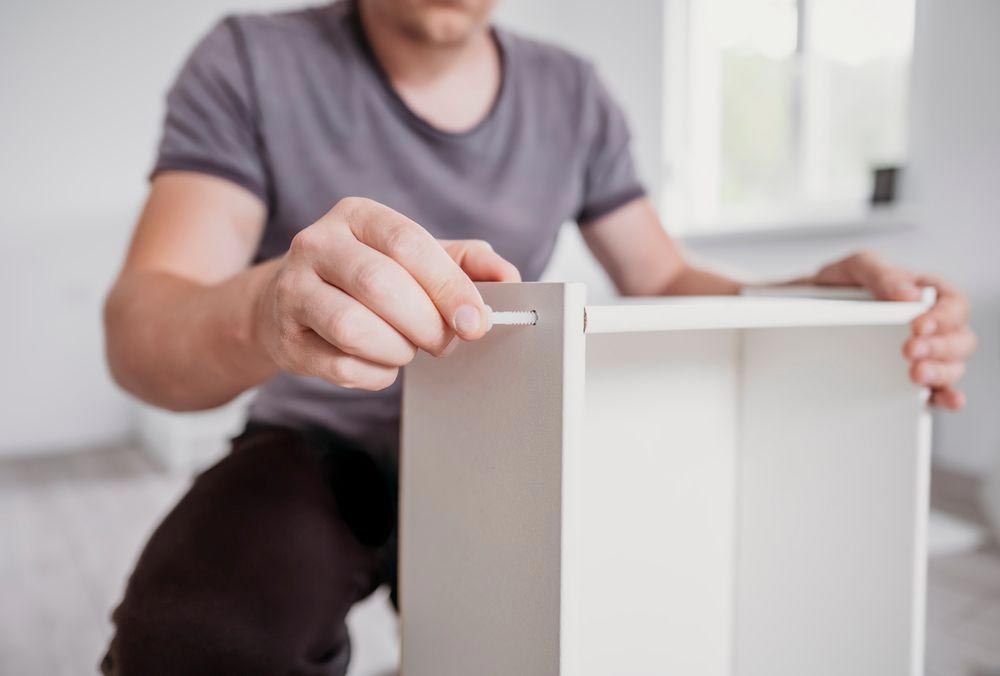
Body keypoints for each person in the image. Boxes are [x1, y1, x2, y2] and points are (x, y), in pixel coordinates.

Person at [100, 0, 977, 673]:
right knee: (196, 633)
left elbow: (663, 278)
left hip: (519, 431)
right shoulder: (253, 60)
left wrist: (813, 297)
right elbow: (143, 328)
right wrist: (266, 311)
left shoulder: (572, 91)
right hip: (321, 437)